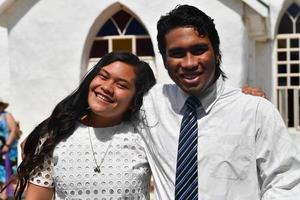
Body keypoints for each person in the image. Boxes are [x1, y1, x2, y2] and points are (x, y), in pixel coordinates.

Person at [139, 4, 300, 200]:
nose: (189, 63)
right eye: (177, 53)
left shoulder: (255, 111)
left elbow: (286, 183)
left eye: (199, 50)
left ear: (217, 53)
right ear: (164, 60)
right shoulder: (148, 105)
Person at [14, 52, 156, 200]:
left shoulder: (145, 137)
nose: (106, 87)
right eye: (103, 76)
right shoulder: (55, 134)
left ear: (135, 99)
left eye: (121, 85)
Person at [0, 98, 18, 200]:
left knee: (5, 171)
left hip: (7, 149)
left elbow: (14, 130)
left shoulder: (6, 115)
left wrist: (7, 145)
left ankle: (4, 196)